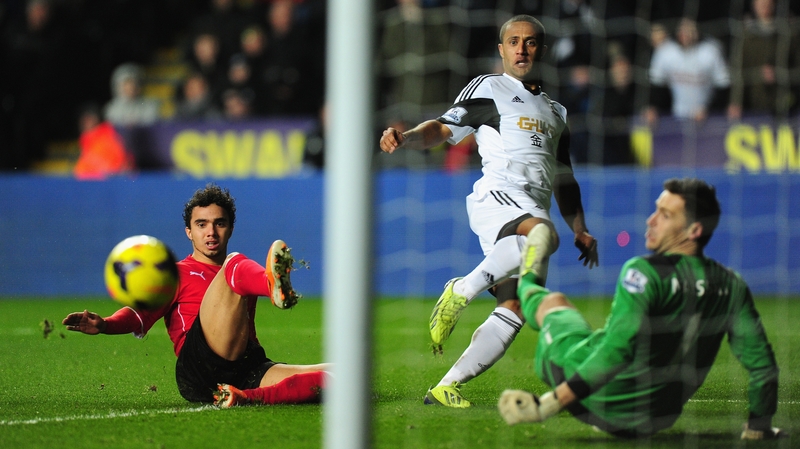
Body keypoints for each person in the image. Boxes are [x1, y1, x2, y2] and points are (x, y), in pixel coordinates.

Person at [379, 14, 599, 408]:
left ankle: (446, 386)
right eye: (513, 41)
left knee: (515, 306)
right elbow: (445, 128)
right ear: (501, 50)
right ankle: (460, 289)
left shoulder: (557, 113)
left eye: (530, 42)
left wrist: (581, 229)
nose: (521, 48)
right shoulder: (490, 88)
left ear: (541, 50)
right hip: (499, 198)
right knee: (542, 235)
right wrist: (407, 137)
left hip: (533, 209)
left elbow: (565, 178)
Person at [499, 178, 782, 440]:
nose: (651, 220)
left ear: (694, 230)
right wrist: (759, 426)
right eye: (656, 210)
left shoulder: (644, 272)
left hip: (597, 403)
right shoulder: (733, 285)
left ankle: (529, 273)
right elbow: (763, 367)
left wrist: (546, 405)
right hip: (658, 419)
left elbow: (618, 350)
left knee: (551, 303)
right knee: (577, 317)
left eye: (665, 215)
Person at [62, 184, 328, 407]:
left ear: (231, 229)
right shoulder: (175, 274)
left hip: (244, 365)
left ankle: (244, 398)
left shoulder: (238, 274)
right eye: (201, 224)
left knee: (342, 375)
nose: (210, 232)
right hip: (200, 366)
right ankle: (272, 287)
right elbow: (137, 313)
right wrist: (106, 324)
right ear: (189, 232)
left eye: (219, 223)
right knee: (233, 263)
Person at [644, 18, 731, 125]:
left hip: (707, 117)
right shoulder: (665, 51)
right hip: (676, 115)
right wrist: (653, 107)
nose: (685, 34)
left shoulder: (710, 51)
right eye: (682, 30)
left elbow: (723, 84)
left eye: (690, 30)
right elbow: (656, 84)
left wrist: (708, 109)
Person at [727, 0, 800, 120]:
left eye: (768, 4)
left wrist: (780, 74)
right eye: (761, 4)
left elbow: (797, 66)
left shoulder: (789, 33)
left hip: (786, 102)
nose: (765, 8)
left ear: (775, 5)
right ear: (753, 6)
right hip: (754, 103)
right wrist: (736, 102)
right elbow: (738, 71)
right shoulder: (745, 36)